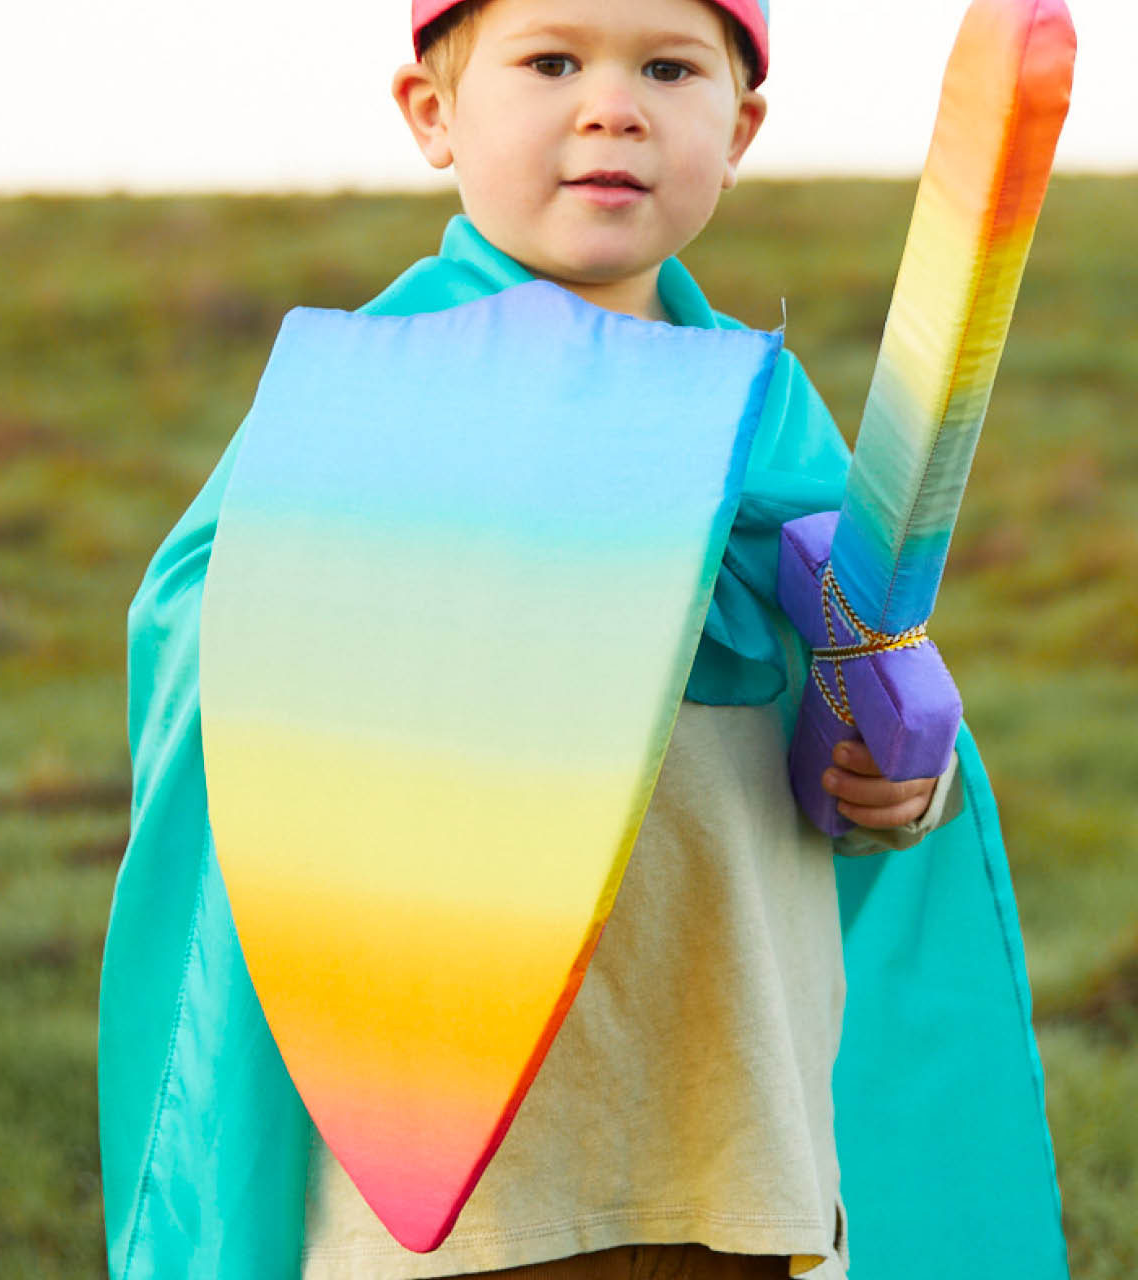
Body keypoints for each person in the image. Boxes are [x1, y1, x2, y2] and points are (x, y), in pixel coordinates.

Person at [98, 2, 1066, 1278]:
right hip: (471, 1180)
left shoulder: (764, 406)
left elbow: (866, 659)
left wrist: (902, 776)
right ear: (432, 114)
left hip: (731, 1134)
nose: (611, 105)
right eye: (551, 62)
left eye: (667, 68)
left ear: (740, 131)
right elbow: (207, 630)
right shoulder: (375, 393)